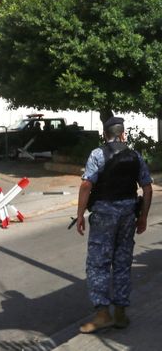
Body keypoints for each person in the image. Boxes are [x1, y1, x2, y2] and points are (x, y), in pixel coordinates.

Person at [75, 116, 153, 333]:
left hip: (103, 216)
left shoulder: (98, 154)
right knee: (122, 262)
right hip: (128, 215)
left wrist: (80, 214)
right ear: (123, 134)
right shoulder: (136, 156)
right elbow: (147, 188)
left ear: (105, 135)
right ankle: (120, 313)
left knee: (98, 264)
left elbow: (86, 185)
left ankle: (102, 314)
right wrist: (143, 217)